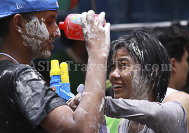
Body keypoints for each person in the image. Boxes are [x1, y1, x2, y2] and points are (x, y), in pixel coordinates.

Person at [0, 0, 111, 132]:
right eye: (49, 22)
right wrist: (98, 54)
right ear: (19, 24)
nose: (57, 32)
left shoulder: (8, 72)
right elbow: (83, 129)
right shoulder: (20, 77)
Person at [69, 30, 188, 133]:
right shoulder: (124, 124)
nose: (113, 75)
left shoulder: (175, 113)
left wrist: (97, 103)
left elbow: (152, 112)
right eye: (112, 67)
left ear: (152, 72)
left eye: (123, 65)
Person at [149, 25, 189, 133]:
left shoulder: (132, 100)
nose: (187, 66)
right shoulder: (182, 101)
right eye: (186, 59)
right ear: (173, 64)